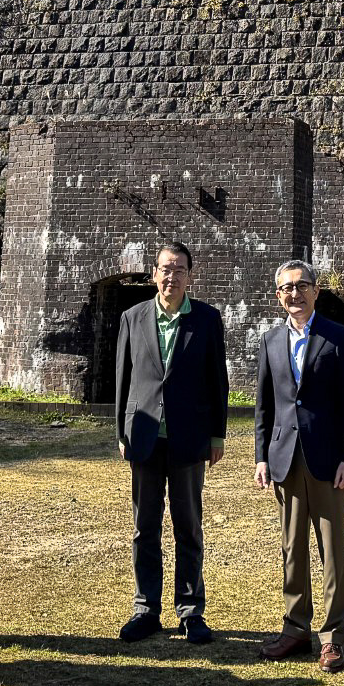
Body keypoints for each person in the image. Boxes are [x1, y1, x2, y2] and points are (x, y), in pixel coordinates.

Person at [112, 241, 230, 644]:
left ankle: (191, 611)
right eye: (165, 268)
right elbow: (123, 380)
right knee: (144, 528)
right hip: (144, 436)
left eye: (179, 269)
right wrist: (121, 431)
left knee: (188, 527)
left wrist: (217, 434)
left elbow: (217, 381)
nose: (171, 276)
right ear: (154, 273)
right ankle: (145, 608)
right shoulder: (132, 317)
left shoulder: (207, 319)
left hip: (189, 438)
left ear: (190, 276)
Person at [254, 258, 344, 674]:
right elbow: (264, 406)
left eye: (302, 286)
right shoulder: (269, 341)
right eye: (286, 288)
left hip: (328, 459)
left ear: (317, 290)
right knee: (292, 549)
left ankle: (333, 637)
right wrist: (261, 456)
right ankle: (296, 627)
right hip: (284, 459)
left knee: (332, 550)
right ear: (277, 296)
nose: (294, 294)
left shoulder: (338, 338)